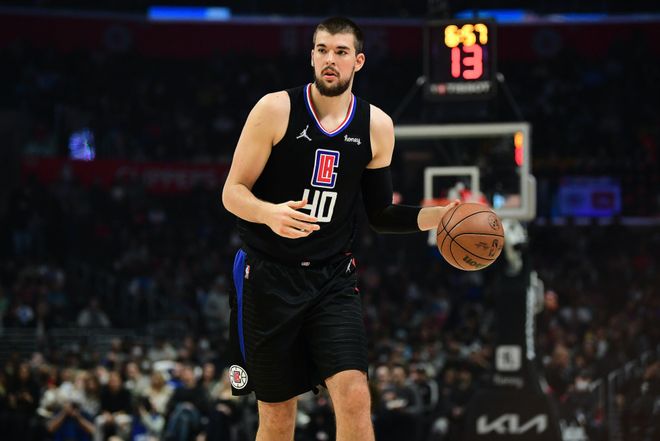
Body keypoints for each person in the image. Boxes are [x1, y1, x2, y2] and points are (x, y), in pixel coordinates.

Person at [221, 16, 459, 441]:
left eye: (341, 51)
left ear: (358, 61)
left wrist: (436, 217)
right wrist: (268, 213)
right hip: (268, 277)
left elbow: (380, 214)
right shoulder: (275, 109)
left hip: (332, 279)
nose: (330, 59)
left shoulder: (377, 125)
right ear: (312, 56)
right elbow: (232, 192)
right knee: (277, 416)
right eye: (322, 50)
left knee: (354, 396)